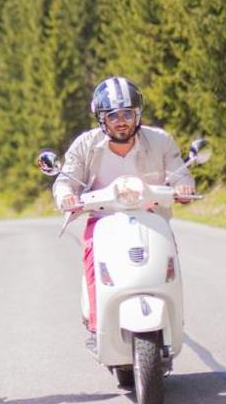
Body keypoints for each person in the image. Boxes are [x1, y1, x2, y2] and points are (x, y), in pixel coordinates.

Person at [52, 76, 195, 340]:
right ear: (101, 119)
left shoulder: (160, 141)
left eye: (128, 114)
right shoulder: (85, 144)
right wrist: (67, 196)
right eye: (113, 115)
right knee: (93, 256)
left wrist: (184, 187)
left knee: (169, 260)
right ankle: (97, 325)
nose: (121, 121)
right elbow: (65, 180)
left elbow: (180, 172)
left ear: (137, 114)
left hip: (151, 216)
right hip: (103, 217)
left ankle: (175, 318)